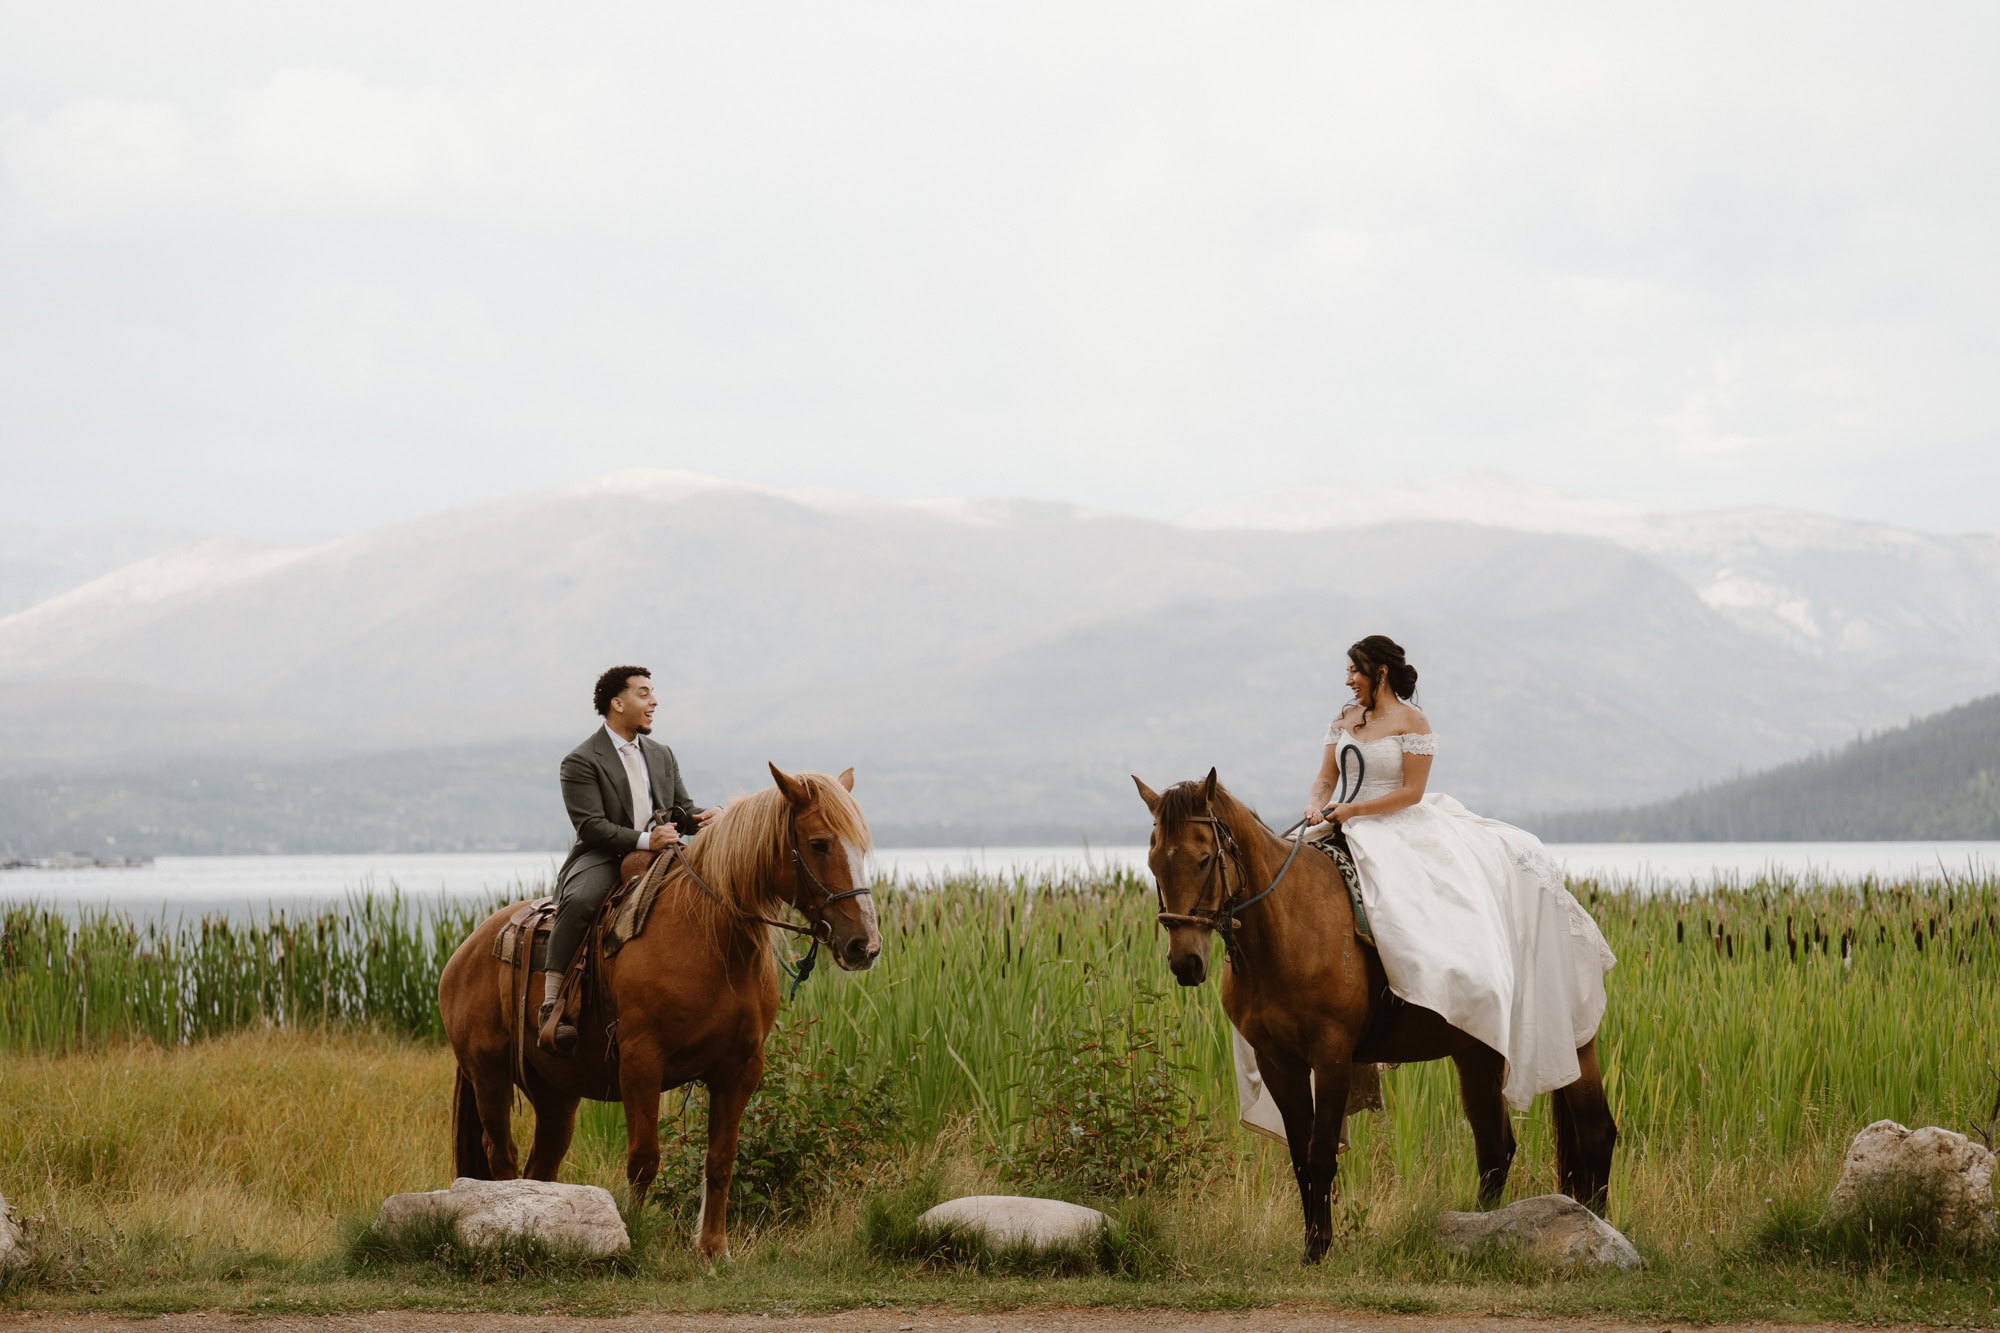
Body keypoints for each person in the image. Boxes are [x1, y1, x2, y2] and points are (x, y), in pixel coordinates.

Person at [1298, 634, 1616, 1109]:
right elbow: (1327, 776)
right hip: (1339, 820)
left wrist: (1355, 812)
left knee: (1412, 903)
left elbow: (1410, 792)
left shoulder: (1413, 722)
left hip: (1393, 825)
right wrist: (1317, 805)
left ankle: (1433, 991)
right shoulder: (1343, 719)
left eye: (1354, 671)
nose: (1347, 681)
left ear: (1380, 672)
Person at [539, 664, 718, 1054]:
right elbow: (591, 826)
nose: (654, 701)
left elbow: (682, 811)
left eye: (652, 693)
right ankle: (553, 1001)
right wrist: (645, 840)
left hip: (663, 852)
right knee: (581, 901)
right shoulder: (580, 761)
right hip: (603, 855)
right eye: (643, 693)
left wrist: (715, 818)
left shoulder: (661, 754)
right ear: (617, 703)